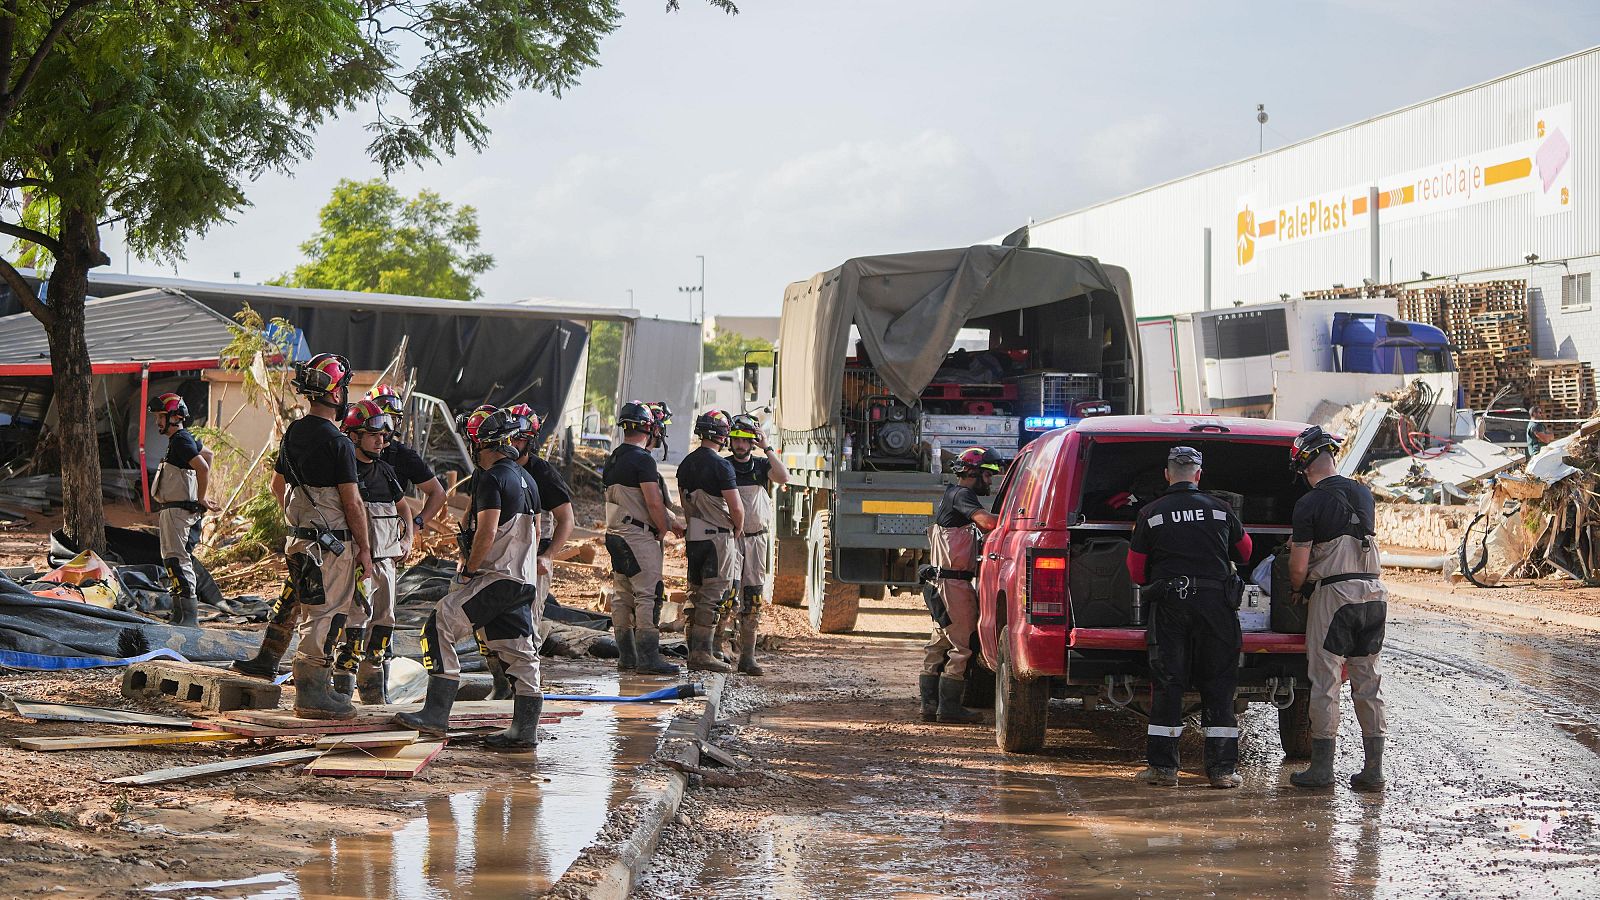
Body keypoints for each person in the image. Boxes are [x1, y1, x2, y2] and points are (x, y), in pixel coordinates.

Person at [233, 383, 447, 679]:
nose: (381, 433)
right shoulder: (342, 445)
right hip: (338, 543)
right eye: (374, 425)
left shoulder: (396, 458)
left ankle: (354, 682)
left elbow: (420, 499)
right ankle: (280, 665)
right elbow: (346, 501)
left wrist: (411, 532)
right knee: (300, 604)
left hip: (372, 549)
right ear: (356, 429)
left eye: (387, 424)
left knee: (368, 617)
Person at [396, 409, 545, 750]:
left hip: (496, 576)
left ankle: (435, 714)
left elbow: (488, 528)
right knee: (518, 651)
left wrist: (470, 569)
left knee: (438, 624)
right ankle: (524, 732)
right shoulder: (527, 479)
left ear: (480, 443)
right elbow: (535, 530)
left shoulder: (492, 478)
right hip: (523, 579)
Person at [1126, 445, 1252, 788]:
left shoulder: (1151, 513)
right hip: (1216, 607)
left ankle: (1163, 769)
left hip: (1170, 605)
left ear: (1167, 475)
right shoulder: (1221, 510)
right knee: (1220, 684)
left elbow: (1136, 571)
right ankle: (1223, 771)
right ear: (1198, 475)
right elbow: (1245, 553)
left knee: (1168, 682)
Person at [1287, 426, 1388, 792]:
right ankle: (1373, 771)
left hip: (1335, 595)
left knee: (1326, 681)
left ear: (1304, 465)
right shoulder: (1363, 493)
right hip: (1374, 593)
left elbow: (1299, 567)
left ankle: (1322, 769)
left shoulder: (1308, 503)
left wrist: (1297, 589)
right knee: (1368, 680)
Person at [271, 353, 371, 720]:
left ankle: (314, 691)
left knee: (310, 611)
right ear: (335, 392)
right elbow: (352, 501)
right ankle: (313, 696)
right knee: (327, 614)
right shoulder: (339, 442)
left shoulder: (294, 432)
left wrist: (300, 521)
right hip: (331, 547)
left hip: (299, 541)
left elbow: (276, 485)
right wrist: (364, 548)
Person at [473, 403, 576, 700]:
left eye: (517, 439)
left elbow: (566, 518)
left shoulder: (540, 472)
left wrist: (548, 555)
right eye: (507, 437)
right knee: (485, 624)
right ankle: (501, 685)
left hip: (531, 560)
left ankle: (526, 694)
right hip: (495, 559)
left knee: (525, 626)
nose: (510, 444)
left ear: (529, 440)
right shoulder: (488, 469)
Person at [332, 399, 409, 704]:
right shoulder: (345, 472)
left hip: (386, 563)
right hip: (356, 564)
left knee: (384, 622)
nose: (381, 441)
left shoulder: (386, 471)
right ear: (353, 435)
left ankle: (375, 693)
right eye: (374, 435)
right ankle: (341, 693)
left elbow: (403, 507)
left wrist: (408, 540)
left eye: (384, 436)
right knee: (353, 624)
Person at [603, 401, 683, 676]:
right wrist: (662, 528)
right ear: (649, 429)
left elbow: (630, 500)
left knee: (623, 595)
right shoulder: (643, 460)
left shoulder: (614, 457)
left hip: (615, 535)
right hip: (638, 537)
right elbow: (653, 503)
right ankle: (648, 658)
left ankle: (627, 656)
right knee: (649, 595)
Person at [922, 447, 1002, 725]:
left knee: (940, 641)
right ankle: (950, 708)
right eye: (988, 475)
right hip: (952, 585)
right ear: (972, 472)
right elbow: (988, 522)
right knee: (963, 645)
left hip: (940, 582)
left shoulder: (951, 494)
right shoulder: (962, 495)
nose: (990, 481)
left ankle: (929, 706)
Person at [678, 410, 745, 673]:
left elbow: (684, 502)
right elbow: (736, 507)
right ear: (723, 434)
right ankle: (702, 654)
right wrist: (737, 529)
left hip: (694, 535)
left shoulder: (685, 464)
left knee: (695, 591)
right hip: (717, 537)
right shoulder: (721, 465)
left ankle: (692, 647)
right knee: (714, 594)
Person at [723, 413, 789, 676]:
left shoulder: (761, 466)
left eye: (745, 440)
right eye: (736, 439)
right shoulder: (724, 466)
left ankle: (747, 657)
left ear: (752, 442)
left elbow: (783, 477)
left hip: (756, 539)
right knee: (726, 596)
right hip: (730, 539)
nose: (740, 445)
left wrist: (768, 446)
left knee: (752, 597)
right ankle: (718, 649)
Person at [147, 392, 217, 628]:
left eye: (160, 417)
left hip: (179, 512)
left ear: (175, 417)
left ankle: (188, 617)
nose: (157, 422)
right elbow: (208, 454)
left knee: (178, 561)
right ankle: (179, 614)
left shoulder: (181, 440)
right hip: (173, 511)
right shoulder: (181, 440)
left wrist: (201, 496)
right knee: (172, 560)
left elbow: (203, 466)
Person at [366, 384, 448, 544]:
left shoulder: (404, 456)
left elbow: (438, 494)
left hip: (386, 540)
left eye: (391, 420)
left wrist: (414, 527)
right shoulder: (347, 451)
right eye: (380, 420)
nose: (385, 428)